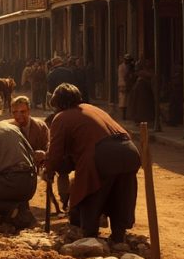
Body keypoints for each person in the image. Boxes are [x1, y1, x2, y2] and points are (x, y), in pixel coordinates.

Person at [45, 83, 141, 243]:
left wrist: (49, 168)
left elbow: (55, 154)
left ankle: (89, 238)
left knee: (90, 195)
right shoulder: (92, 108)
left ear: (58, 104)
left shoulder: (61, 117)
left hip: (102, 154)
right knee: (121, 194)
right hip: (129, 151)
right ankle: (118, 236)